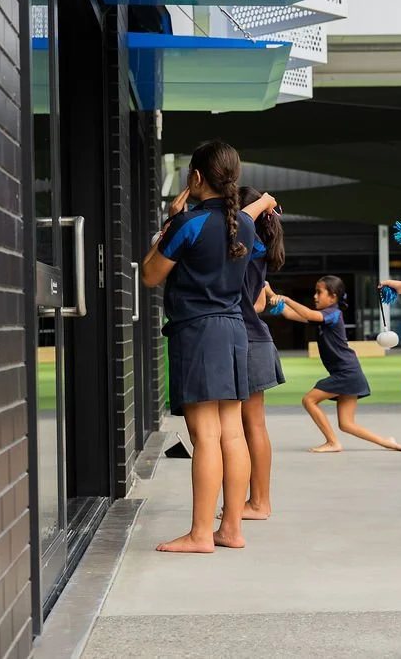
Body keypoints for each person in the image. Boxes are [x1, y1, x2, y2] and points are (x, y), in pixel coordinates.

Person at [141, 140, 277, 553]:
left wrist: (170, 222)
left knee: (205, 437)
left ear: (196, 177)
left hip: (199, 333)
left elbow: (150, 274)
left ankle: (201, 533)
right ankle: (231, 529)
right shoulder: (246, 226)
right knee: (231, 435)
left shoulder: (189, 222)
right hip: (235, 331)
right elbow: (244, 248)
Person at [268, 276, 401, 453]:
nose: (315, 296)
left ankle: (333, 442)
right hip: (349, 373)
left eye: (319, 292)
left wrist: (286, 298)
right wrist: (270, 292)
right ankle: (387, 442)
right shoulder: (322, 317)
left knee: (309, 400)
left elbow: (309, 314)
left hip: (346, 373)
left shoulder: (333, 313)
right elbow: (288, 313)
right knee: (347, 424)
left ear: (333, 297)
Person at [234, 187, 286, 520]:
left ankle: (259, 502)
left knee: (251, 426)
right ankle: (256, 501)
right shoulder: (258, 248)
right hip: (254, 339)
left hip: (248, 341)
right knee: (252, 425)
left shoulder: (247, 244)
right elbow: (256, 301)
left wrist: (262, 203)